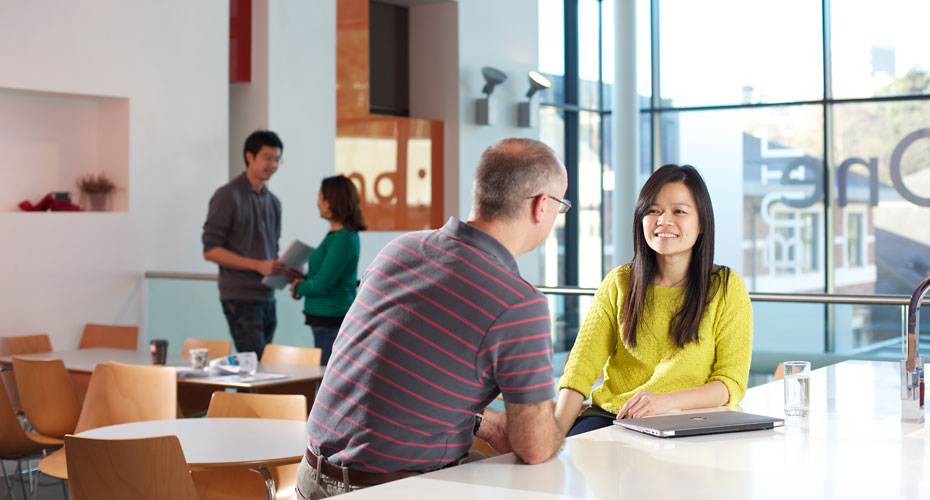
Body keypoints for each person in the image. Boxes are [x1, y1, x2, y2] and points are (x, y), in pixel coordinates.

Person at [296, 138, 567, 499]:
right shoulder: (519, 302)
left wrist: (477, 422)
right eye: (560, 207)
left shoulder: (398, 250)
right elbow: (534, 447)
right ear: (541, 206)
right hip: (390, 489)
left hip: (309, 479)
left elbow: (393, 383)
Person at [554, 164, 752, 437]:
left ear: (702, 223)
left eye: (679, 211)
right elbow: (580, 368)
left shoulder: (726, 288)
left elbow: (730, 384)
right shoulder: (620, 282)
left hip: (689, 421)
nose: (663, 220)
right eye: (653, 210)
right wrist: (553, 438)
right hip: (614, 416)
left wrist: (665, 402)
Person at [202, 130, 296, 359]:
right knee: (254, 365)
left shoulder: (274, 203)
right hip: (240, 296)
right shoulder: (227, 196)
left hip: (267, 294)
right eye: (267, 158)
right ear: (249, 157)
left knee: (263, 364)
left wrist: (284, 269)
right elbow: (211, 250)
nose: (272, 165)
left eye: (276, 159)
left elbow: (269, 251)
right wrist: (258, 266)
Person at [290, 175, 367, 366]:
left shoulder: (343, 238)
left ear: (332, 202)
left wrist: (298, 287)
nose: (318, 204)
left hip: (331, 318)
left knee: (324, 377)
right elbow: (325, 275)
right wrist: (303, 278)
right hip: (324, 318)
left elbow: (322, 284)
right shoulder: (336, 236)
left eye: (321, 198)